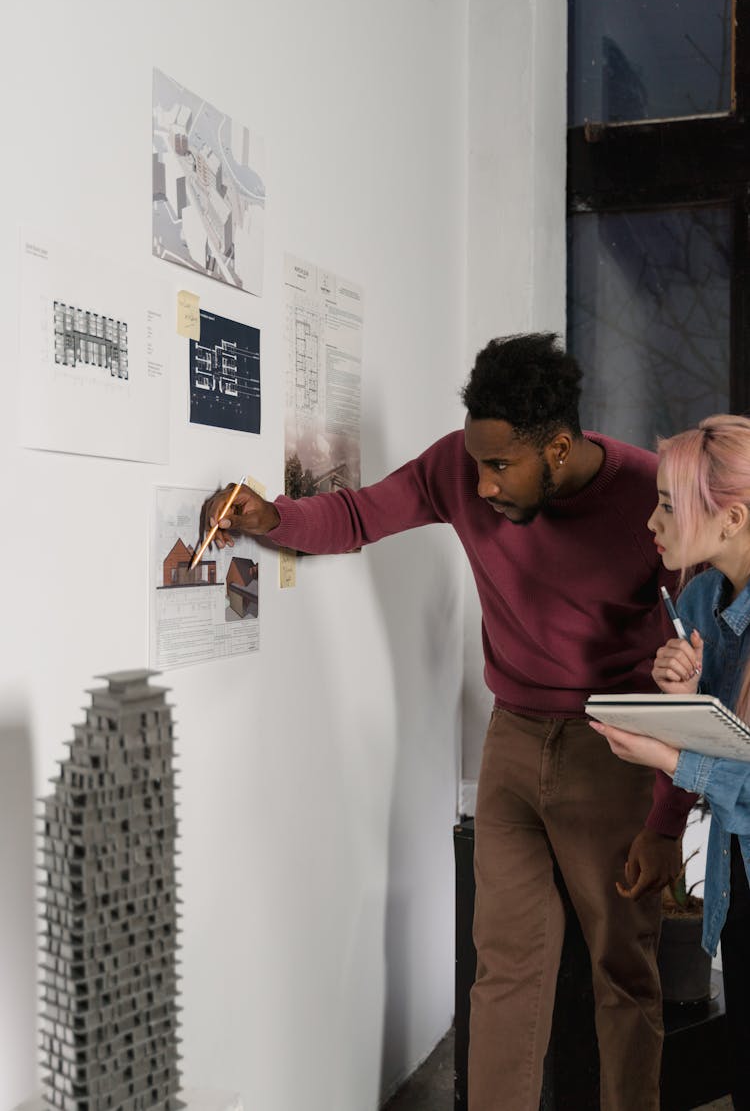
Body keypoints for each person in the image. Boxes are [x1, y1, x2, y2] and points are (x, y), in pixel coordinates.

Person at [203, 332, 696, 1111]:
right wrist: (273, 516)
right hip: (511, 741)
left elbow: (694, 664)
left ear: (559, 449)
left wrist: (668, 821)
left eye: (502, 466)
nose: (483, 484)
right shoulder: (460, 468)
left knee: (622, 968)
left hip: (613, 749)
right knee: (504, 967)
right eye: (476, 462)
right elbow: (361, 514)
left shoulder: (649, 498)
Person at [590, 414, 750, 1111]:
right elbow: (728, 741)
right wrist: (683, 697)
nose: (652, 523)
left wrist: (665, 749)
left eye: (667, 504)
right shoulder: (700, 599)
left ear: (732, 516)